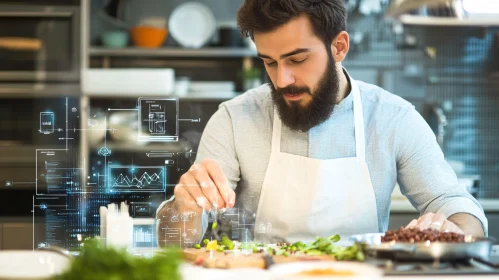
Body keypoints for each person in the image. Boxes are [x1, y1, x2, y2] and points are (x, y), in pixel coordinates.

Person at [157, 0, 486, 246]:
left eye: (297, 59)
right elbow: (176, 238)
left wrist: (453, 228)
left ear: (339, 46)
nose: (283, 79)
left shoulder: (393, 118)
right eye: (269, 62)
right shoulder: (234, 119)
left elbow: (458, 207)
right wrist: (182, 207)